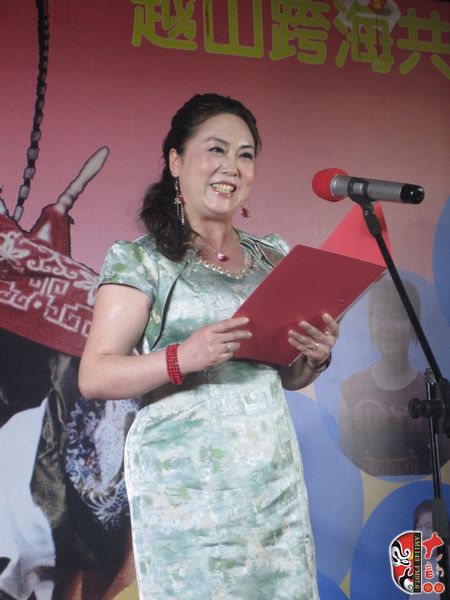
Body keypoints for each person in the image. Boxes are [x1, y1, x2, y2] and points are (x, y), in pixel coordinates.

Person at [79, 92, 339, 599]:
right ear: (176, 161)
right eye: (216, 149)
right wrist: (184, 357)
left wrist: (315, 355)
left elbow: (287, 376)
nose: (231, 167)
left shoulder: (274, 256)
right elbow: (95, 376)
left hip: (271, 480)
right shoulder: (142, 260)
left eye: (245, 155)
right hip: (185, 488)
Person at [339, 277, 450, 476]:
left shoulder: (433, 391)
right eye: (381, 316)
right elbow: (347, 461)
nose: (388, 327)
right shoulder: (351, 388)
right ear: (370, 322)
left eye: (398, 317)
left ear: (414, 325)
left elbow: (445, 459)